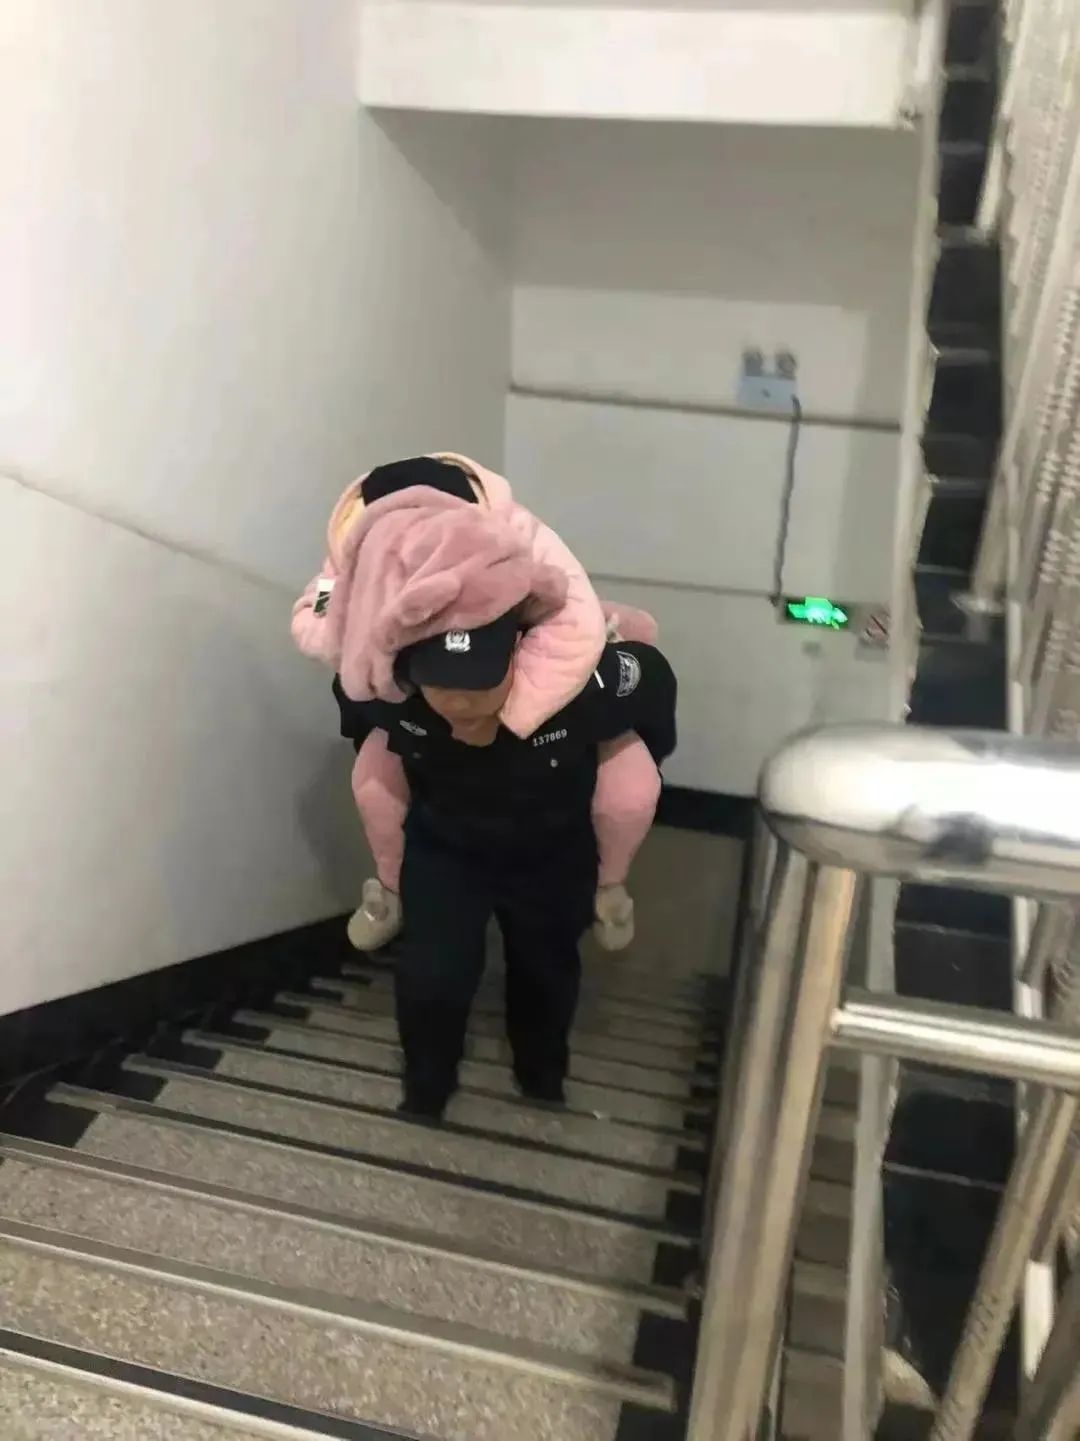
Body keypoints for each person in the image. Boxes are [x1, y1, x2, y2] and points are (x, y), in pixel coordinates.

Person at [292, 454, 661, 952]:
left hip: (514, 651)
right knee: (372, 784)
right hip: (424, 668)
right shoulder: (348, 545)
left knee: (631, 790)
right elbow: (318, 609)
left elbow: (576, 624)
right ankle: (391, 887)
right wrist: (378, 665)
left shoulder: (520, 532)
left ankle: (609, 884)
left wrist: (506, 715)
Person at [334, 613, 677, 1120]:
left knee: (546, 972)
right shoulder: (384, 687)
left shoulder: (593, 683)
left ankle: (541, 1080)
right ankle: (427, 1089)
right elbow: (356, 714)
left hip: (552, 850)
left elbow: (654, 693)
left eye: (477, 685)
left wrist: (636, 763)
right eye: (441, 685)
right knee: (433, 974)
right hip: (445, 847)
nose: (459, 703)